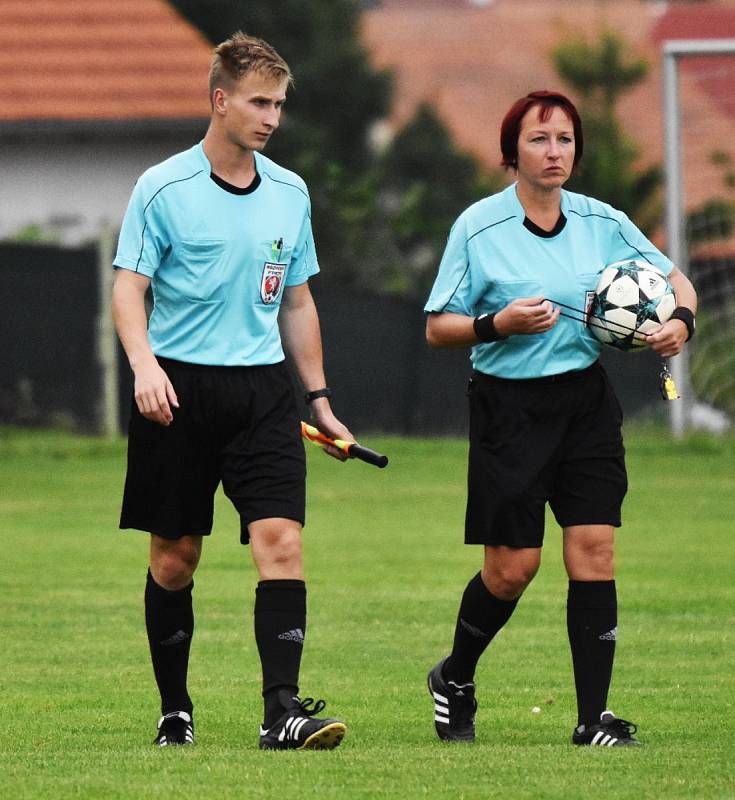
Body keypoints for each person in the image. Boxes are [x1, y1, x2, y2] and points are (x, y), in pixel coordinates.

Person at [423, 90, 697, 747]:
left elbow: (676, 282)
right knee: (512, 568)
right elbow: (437, 328)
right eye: (539, 139)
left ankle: (591, 718)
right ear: (509, 152)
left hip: (583, 403)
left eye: (565, 139)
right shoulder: (478, 227)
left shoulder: (602, 221)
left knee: (593, 550)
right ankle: (453, 677)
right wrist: (498, 324)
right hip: (507, 407)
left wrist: (677, 324)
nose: (554, 151)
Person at [111, 32, 353, 751]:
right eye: (258, 101)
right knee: (173, 558)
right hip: (177, 391)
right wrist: (144, 366)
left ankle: (281, 712)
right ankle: (174, 710)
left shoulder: (290, 192)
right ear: (220, 101)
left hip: (263, 394)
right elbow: (129, 286)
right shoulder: (162, 186)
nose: (271, 116)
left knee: (281, 543)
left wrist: (319, 400)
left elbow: (299, 302)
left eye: (279, 103)